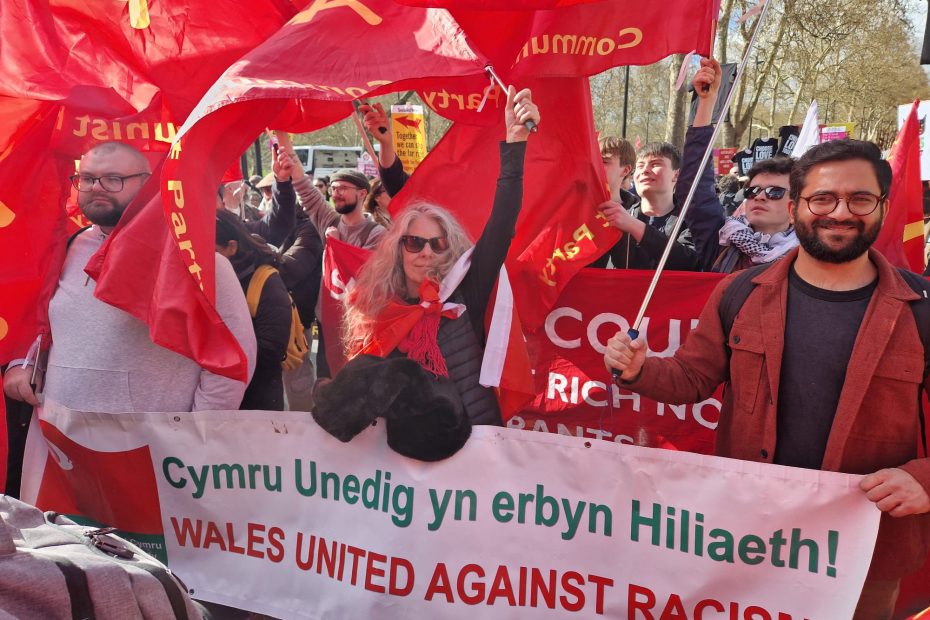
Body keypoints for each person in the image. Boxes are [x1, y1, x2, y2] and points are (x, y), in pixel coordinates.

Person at [604, 138, 930, 619]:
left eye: (860, 199)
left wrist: (924, 479)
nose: (840, 212)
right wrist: (639, 370)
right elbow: (693, 377)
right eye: (823, 198)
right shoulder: (738, 293)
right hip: (752, 541)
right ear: (798, 207)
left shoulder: (922, 309)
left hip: (867, 553)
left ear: (881, 206)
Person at [312, 87, 539, 462]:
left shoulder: (466, 291)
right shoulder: (381, 306)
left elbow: (502, 225)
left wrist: (514, 145)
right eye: (415, 243)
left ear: (450, 249)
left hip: (478, 450)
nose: (426, 252)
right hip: (404, 466)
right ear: (398, 247)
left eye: (437, 244)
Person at [2, 142, 256, 414]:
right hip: (61, 443)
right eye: (87, 179)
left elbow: (234, 359)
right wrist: (24, 364)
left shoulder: (194, 260)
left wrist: (194, 435)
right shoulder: (63, 250)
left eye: (114, 179)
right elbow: (42, 326)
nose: (96, 187)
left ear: (147, 185)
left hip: (155, 449)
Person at [591, 58, 725, 271]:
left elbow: (689, 262)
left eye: (655, 164)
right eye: (641, 165)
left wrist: (635, 227)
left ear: (676, 175)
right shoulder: (619, 214)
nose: (645, 170)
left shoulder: (688, 218)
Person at [216, 210, 292, 411]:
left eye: (211, 251)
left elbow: (271, 350)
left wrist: (214, 350)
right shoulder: (207, 279)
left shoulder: (266, 282)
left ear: (231, 247)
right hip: (219, 397)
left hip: (257, 401)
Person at [712, 156, 798, 273]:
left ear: (796, 203)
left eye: (774, 191)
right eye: (753, 191)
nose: (758, 197)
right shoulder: (722, 236)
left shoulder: (811, 256)